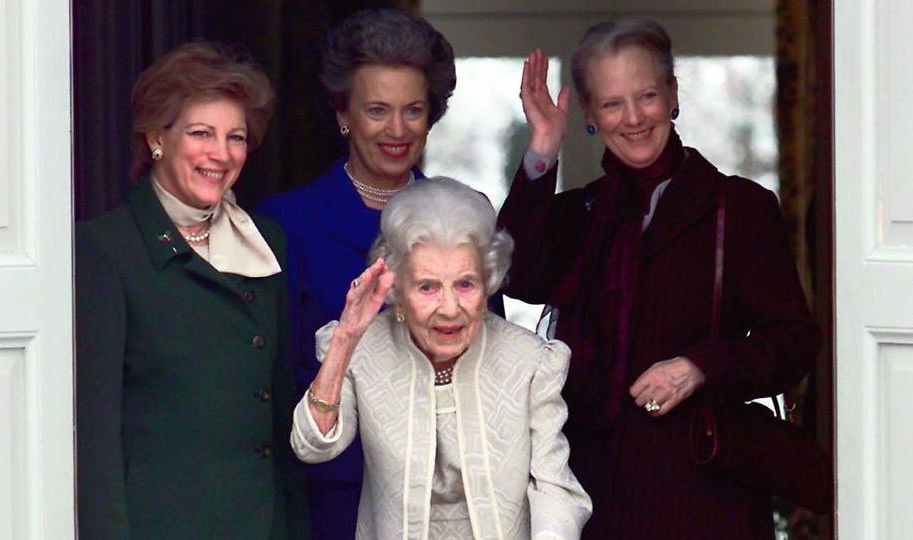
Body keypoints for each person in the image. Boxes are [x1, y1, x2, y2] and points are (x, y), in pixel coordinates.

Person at [499, 17, 821, 540]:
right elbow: (513, 273)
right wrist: (542, 148)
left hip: (703, 499)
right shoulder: (579, 213)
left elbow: (793, 341)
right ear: (589, 113)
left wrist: (700, 365)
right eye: (611, 103)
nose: (632, 118)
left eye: (646, 95)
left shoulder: (737, 208)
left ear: (672, 93)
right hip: (590, 498)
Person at [76, 42, 308, 540]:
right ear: (157, 137)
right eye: (201, 133)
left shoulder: (266, 243)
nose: (221, 155)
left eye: (236, 137)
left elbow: (279, 409)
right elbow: (96, 441)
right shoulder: (105, 249)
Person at [290, 178, 592, 539]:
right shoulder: (364, 350)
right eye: (427, 287)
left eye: (465, 284)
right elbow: (313, 446)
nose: (450, 309)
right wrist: (345, 341)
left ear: (488, 284)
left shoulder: (529, 361)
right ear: (397, 290)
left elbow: (555, 489)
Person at [256, 8, 456, 537]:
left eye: (413, 110)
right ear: (343, 113)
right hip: (331, 495)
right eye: (376, 110)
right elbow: (272, 378)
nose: (397, 129)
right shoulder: (286, 224)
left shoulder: (462, 217)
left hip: (443, 497)